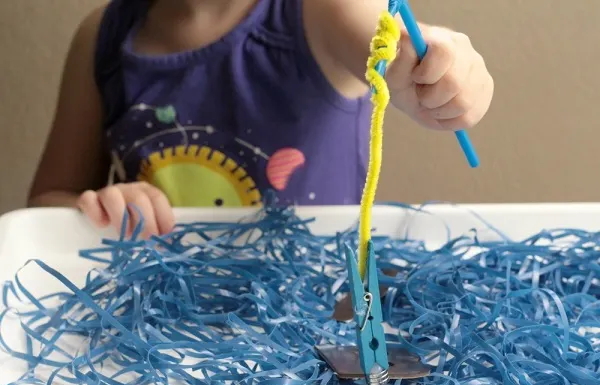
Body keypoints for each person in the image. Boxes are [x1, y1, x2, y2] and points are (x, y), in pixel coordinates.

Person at [28, 0, 493, 238]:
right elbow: (48, 200)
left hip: (315, 331)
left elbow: (390, 50)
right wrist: (103, 208)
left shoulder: (321, 11)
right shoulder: (103, 37)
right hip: (155, 334)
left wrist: (440, 65)